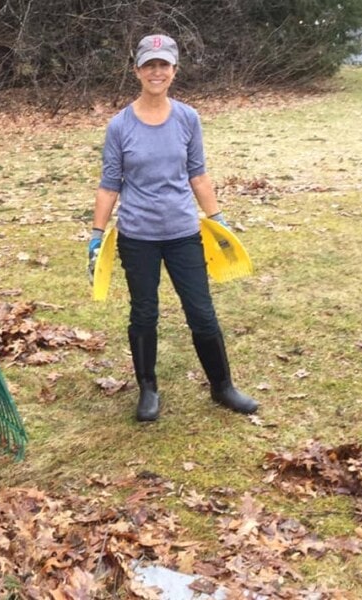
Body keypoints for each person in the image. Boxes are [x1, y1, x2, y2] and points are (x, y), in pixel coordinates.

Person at [87, 34, 258, 423]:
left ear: (174, 71)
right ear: (137, 71)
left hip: (183, 233)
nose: (157, 72)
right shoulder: (120, 126)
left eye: (164, 65)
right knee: (144, 313)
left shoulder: (188, 118)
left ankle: (222, 387)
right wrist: (97, 235)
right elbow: (110, 183)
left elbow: (197, 174)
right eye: (150, 65)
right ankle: (148, 390)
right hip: (137, 236)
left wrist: (218, 221)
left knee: (201, 312)